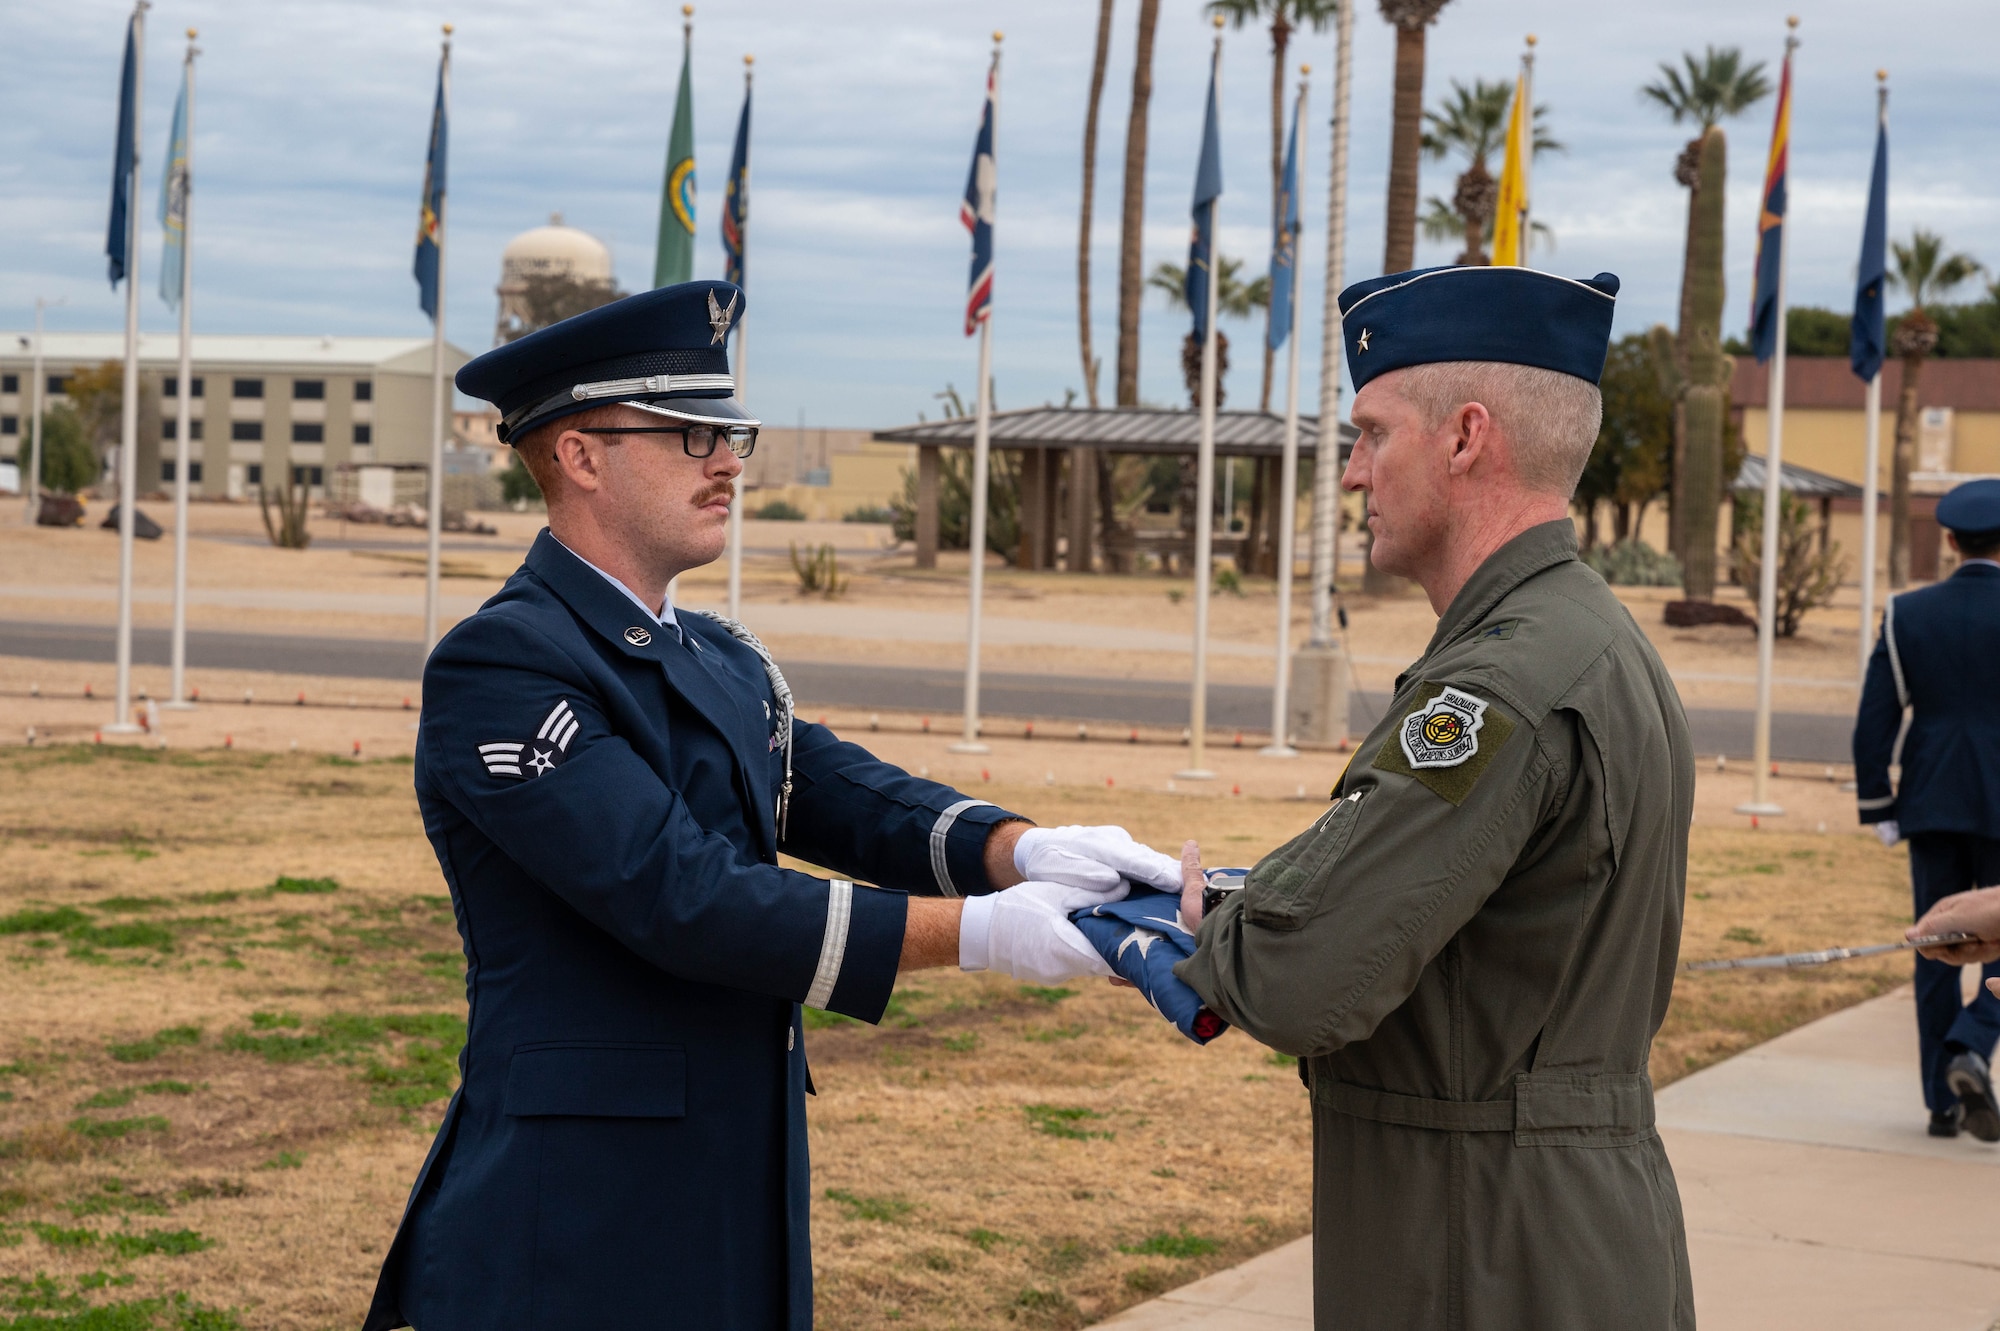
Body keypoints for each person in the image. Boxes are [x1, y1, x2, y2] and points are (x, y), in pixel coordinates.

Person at [361, 281, 1175, 1331]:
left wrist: (1025, 850)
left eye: (729, 430)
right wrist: (980, 932)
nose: (728, 459)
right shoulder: (506, 664)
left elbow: (840, 793)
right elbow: (679, 895)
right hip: (576, 1211)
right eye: (692, 432)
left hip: (728, 1183)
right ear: (579, 455)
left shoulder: (712, 653)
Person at [1173, 266, 1695, 1330]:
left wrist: (1210, 928)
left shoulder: (1497, 684)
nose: (1354, 474)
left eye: (1370, 435)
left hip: (1480, 1252)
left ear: (1464, 437)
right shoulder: (1585, 635)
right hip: (1549, 1229)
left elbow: (1300, 976)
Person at [1856, 477, 2000, 1142]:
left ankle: (1940, 1101)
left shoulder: (1908, 613)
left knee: (1936, 941)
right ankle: (1969, 1045)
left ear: (1948, 539)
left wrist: (1878, 803)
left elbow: (1874, 723)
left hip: (1933, 796)